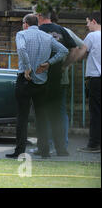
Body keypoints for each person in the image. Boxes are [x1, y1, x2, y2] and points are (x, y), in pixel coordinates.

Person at [6, 14, 68, 159]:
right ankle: (45, 151)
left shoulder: (21, 34)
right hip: (42, 81)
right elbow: (64, 50)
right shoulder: (47, 37)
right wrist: (49, 63)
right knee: (41, 117)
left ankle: (19, 151)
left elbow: (21, 50)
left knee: (22, 116)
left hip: (25, 79)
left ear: (26, 24)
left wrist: (27, 67)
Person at [36, 11, 77, 155]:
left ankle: (43, 149)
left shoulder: (37, 30)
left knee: (41, 113)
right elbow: (74, 49)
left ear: (40, 16)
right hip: (57, 77)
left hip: (40, 78)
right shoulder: (62, 30)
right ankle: (61, 149)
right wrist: (65, 65)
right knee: (57, 114)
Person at [75, 11, 101, 153]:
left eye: (87, 22)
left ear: (94, 21)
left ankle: (93, 145)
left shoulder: (92, 36)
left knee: (96, 113)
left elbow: (81, 53)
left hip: (96, 78)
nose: (86, 25)